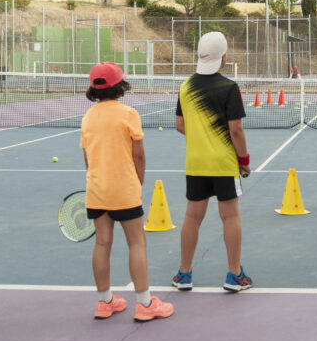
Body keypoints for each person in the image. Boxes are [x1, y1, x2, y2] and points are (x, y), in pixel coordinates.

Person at [80, 62, 173, 322]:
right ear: (120, 85)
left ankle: (104, 302)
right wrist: (137, 182)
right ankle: (145, 304)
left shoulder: (87, 117)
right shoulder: (129, 113)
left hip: (97, 190)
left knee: (102, 243)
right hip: (124, 190)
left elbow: (87, 158)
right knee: (136, 242)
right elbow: (139, 156)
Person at [173, 31, 253, 292]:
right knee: (230, 216)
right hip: (223, 163)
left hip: (195, 163)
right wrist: (244, 160)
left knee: (192, 217)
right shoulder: (229, 88)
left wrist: (201, 138)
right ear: (224, 57)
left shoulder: (186, 87)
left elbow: (180, 125)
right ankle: (234, 275)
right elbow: (236, 131)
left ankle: (184, 274)